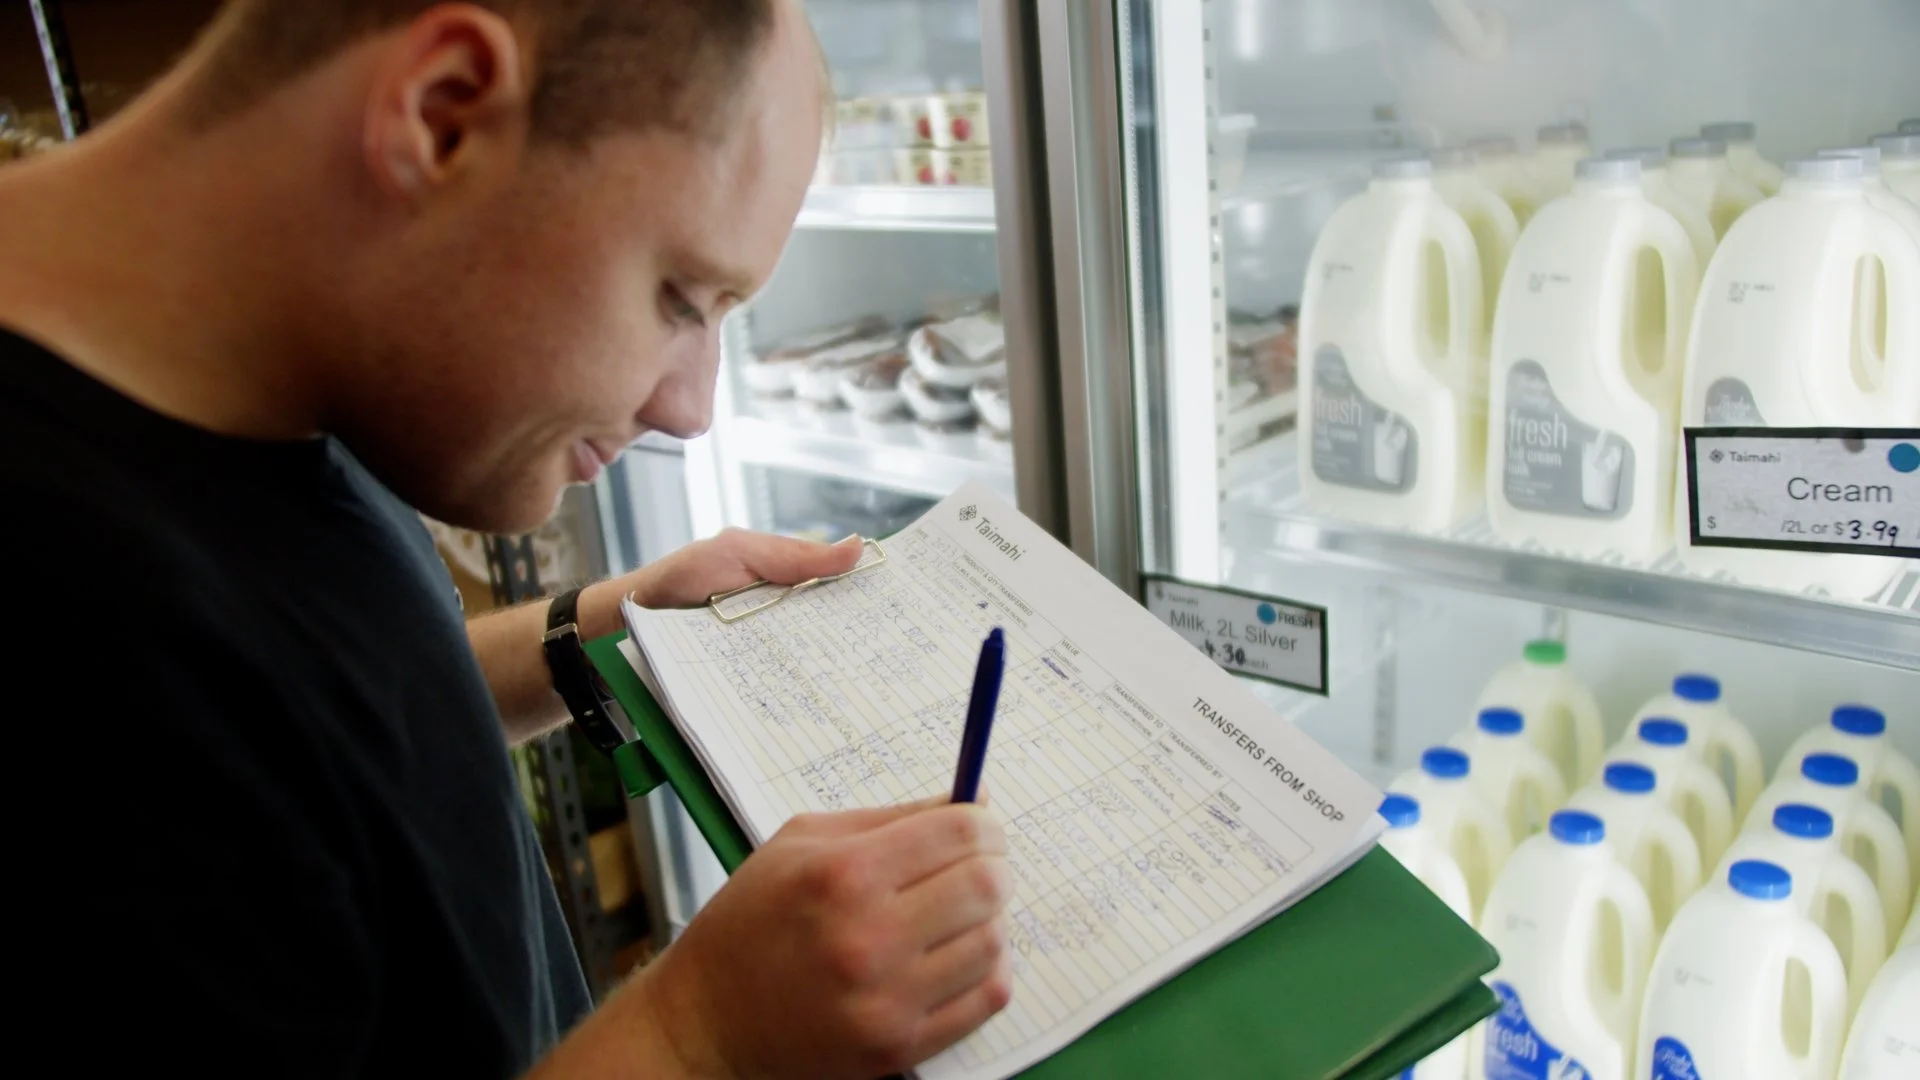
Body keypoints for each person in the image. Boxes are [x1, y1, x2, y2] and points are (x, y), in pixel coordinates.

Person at [0, 1, 1012, 1076]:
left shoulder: (266, 366)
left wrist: (601, 636)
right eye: (680, 298)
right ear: (443, 119)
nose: (690, 410)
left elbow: (304, 726)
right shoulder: (63, 616)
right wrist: (696, 1035)